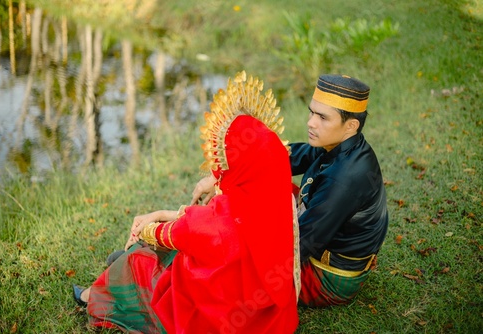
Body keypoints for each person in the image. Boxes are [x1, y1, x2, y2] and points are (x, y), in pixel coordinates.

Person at [72, 71, 300, 333]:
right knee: (147, 255)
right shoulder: (279, 196)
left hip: (217, 317)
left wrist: (146, 228)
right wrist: (164, 212)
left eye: (226, 159)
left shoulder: (222, 218)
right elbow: (204, 219)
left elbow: (181, 231)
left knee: (138, 261)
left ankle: (91, 297)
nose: (221, 168)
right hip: (268, 315)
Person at [192, 74, 389, 308]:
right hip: (318, 243)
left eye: (323, 117)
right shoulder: (339, 145)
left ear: (351, 125)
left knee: (226, 267)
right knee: (261, 188)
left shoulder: (345, 179)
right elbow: (279, 157)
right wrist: (221, 176)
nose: (311, 122)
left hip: (326, 277)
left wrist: (239, 238)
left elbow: (300, 248)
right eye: (312, 112)